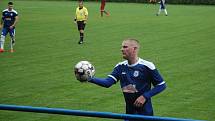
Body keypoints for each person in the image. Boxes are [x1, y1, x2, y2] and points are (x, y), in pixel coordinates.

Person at [86, 38, 166, 118]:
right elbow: (107, 83)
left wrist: (145, 96)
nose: (121, 49)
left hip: (145, 114)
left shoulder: (147, 66)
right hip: (129, 114)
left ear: (134, 49)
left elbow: (161, 85)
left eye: (125, 47)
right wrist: (89, 78)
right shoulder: (120, 67)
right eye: (122, 47)